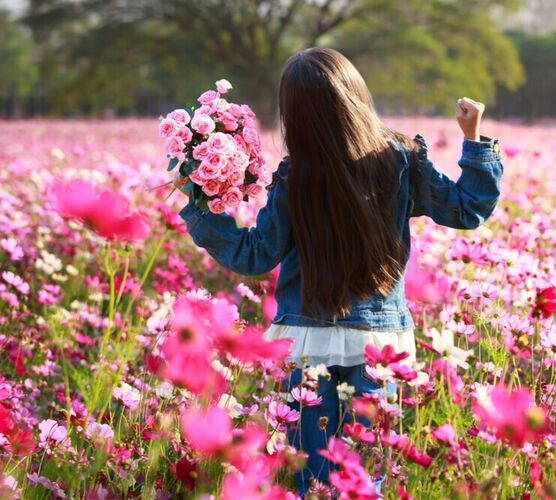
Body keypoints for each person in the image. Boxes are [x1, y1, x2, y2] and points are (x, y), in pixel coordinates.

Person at [175, 47, 504, 497]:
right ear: (357, 97)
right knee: (362, 475)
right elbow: (468, 209)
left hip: (308, 341)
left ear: (295, 116)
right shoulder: (400, 161)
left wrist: (198, 202)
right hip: (381, 344)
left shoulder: (297, 177)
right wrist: (474, 137)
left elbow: (253, 256)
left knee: (311, 472)